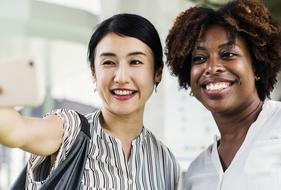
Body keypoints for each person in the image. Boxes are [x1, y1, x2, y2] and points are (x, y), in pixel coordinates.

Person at [0, 13, 180, 189]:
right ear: (94, 74)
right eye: (109, 62)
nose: (121, 77)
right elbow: (16, 130)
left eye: (135, 62)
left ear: (157, 72)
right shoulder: (70, 132)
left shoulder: (166, 162)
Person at [165, 0, 281, 189]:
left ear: (256, 66)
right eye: (199, 58)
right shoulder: (196, 173)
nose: (211, 68)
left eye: (228, 54)